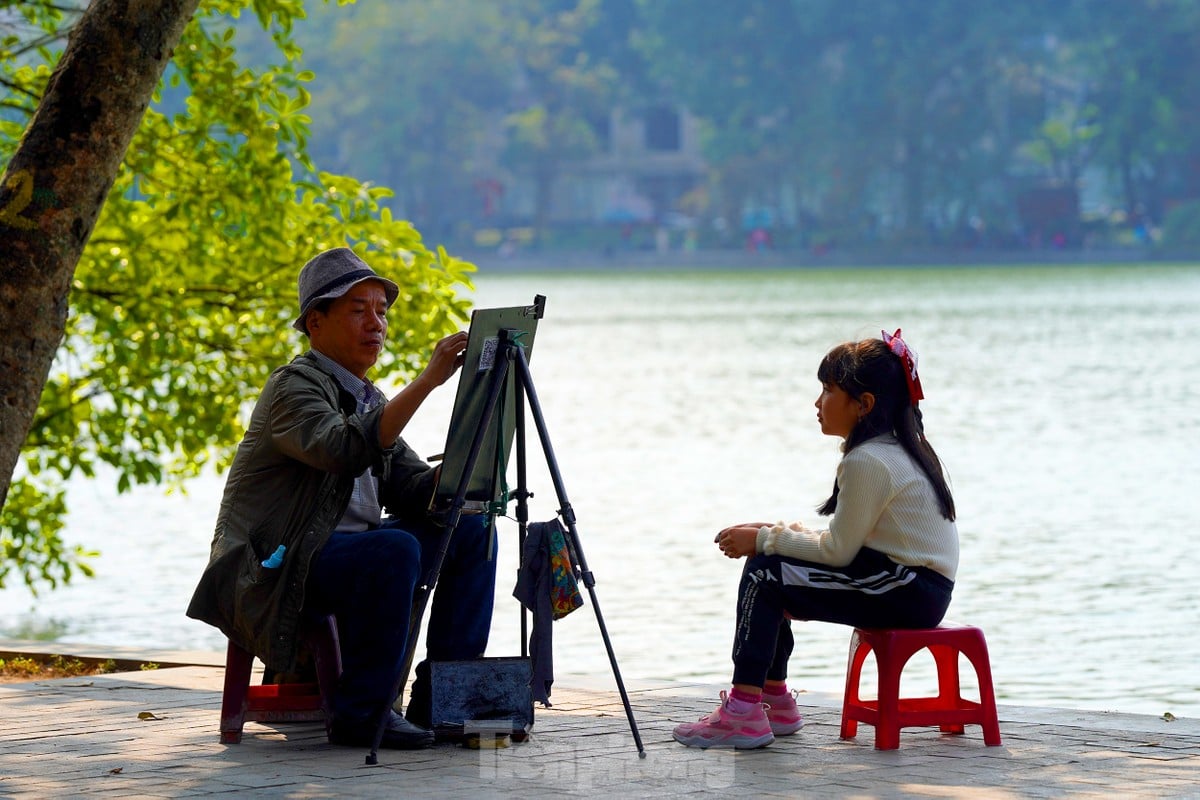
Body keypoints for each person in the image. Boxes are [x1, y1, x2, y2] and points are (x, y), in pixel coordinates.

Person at [187, 247, 497, 750]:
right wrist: (427, 381)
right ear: (315, 322)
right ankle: (363, 716)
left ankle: (443, 701)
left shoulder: (370, 398)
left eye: (381, 311)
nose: (375, 324)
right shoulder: (292, 388)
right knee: (395, 549)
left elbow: (413, 488)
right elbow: (346, 447)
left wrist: (468, 466)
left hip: (347, 558)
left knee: (471, 528)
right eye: (358, 310)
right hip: (275, 568)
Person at [673, 330, 958, 750]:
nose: (817, 402)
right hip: (910, 585)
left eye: (827, 390)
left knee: (765, 574)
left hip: (904, 589)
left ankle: (743, 712)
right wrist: (772, 535)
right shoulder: (894, 449)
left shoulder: (869, 460)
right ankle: (772, 699)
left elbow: (838, 551)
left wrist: (766, 541)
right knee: (775, 567)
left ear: (864, 406)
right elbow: (847, 542)